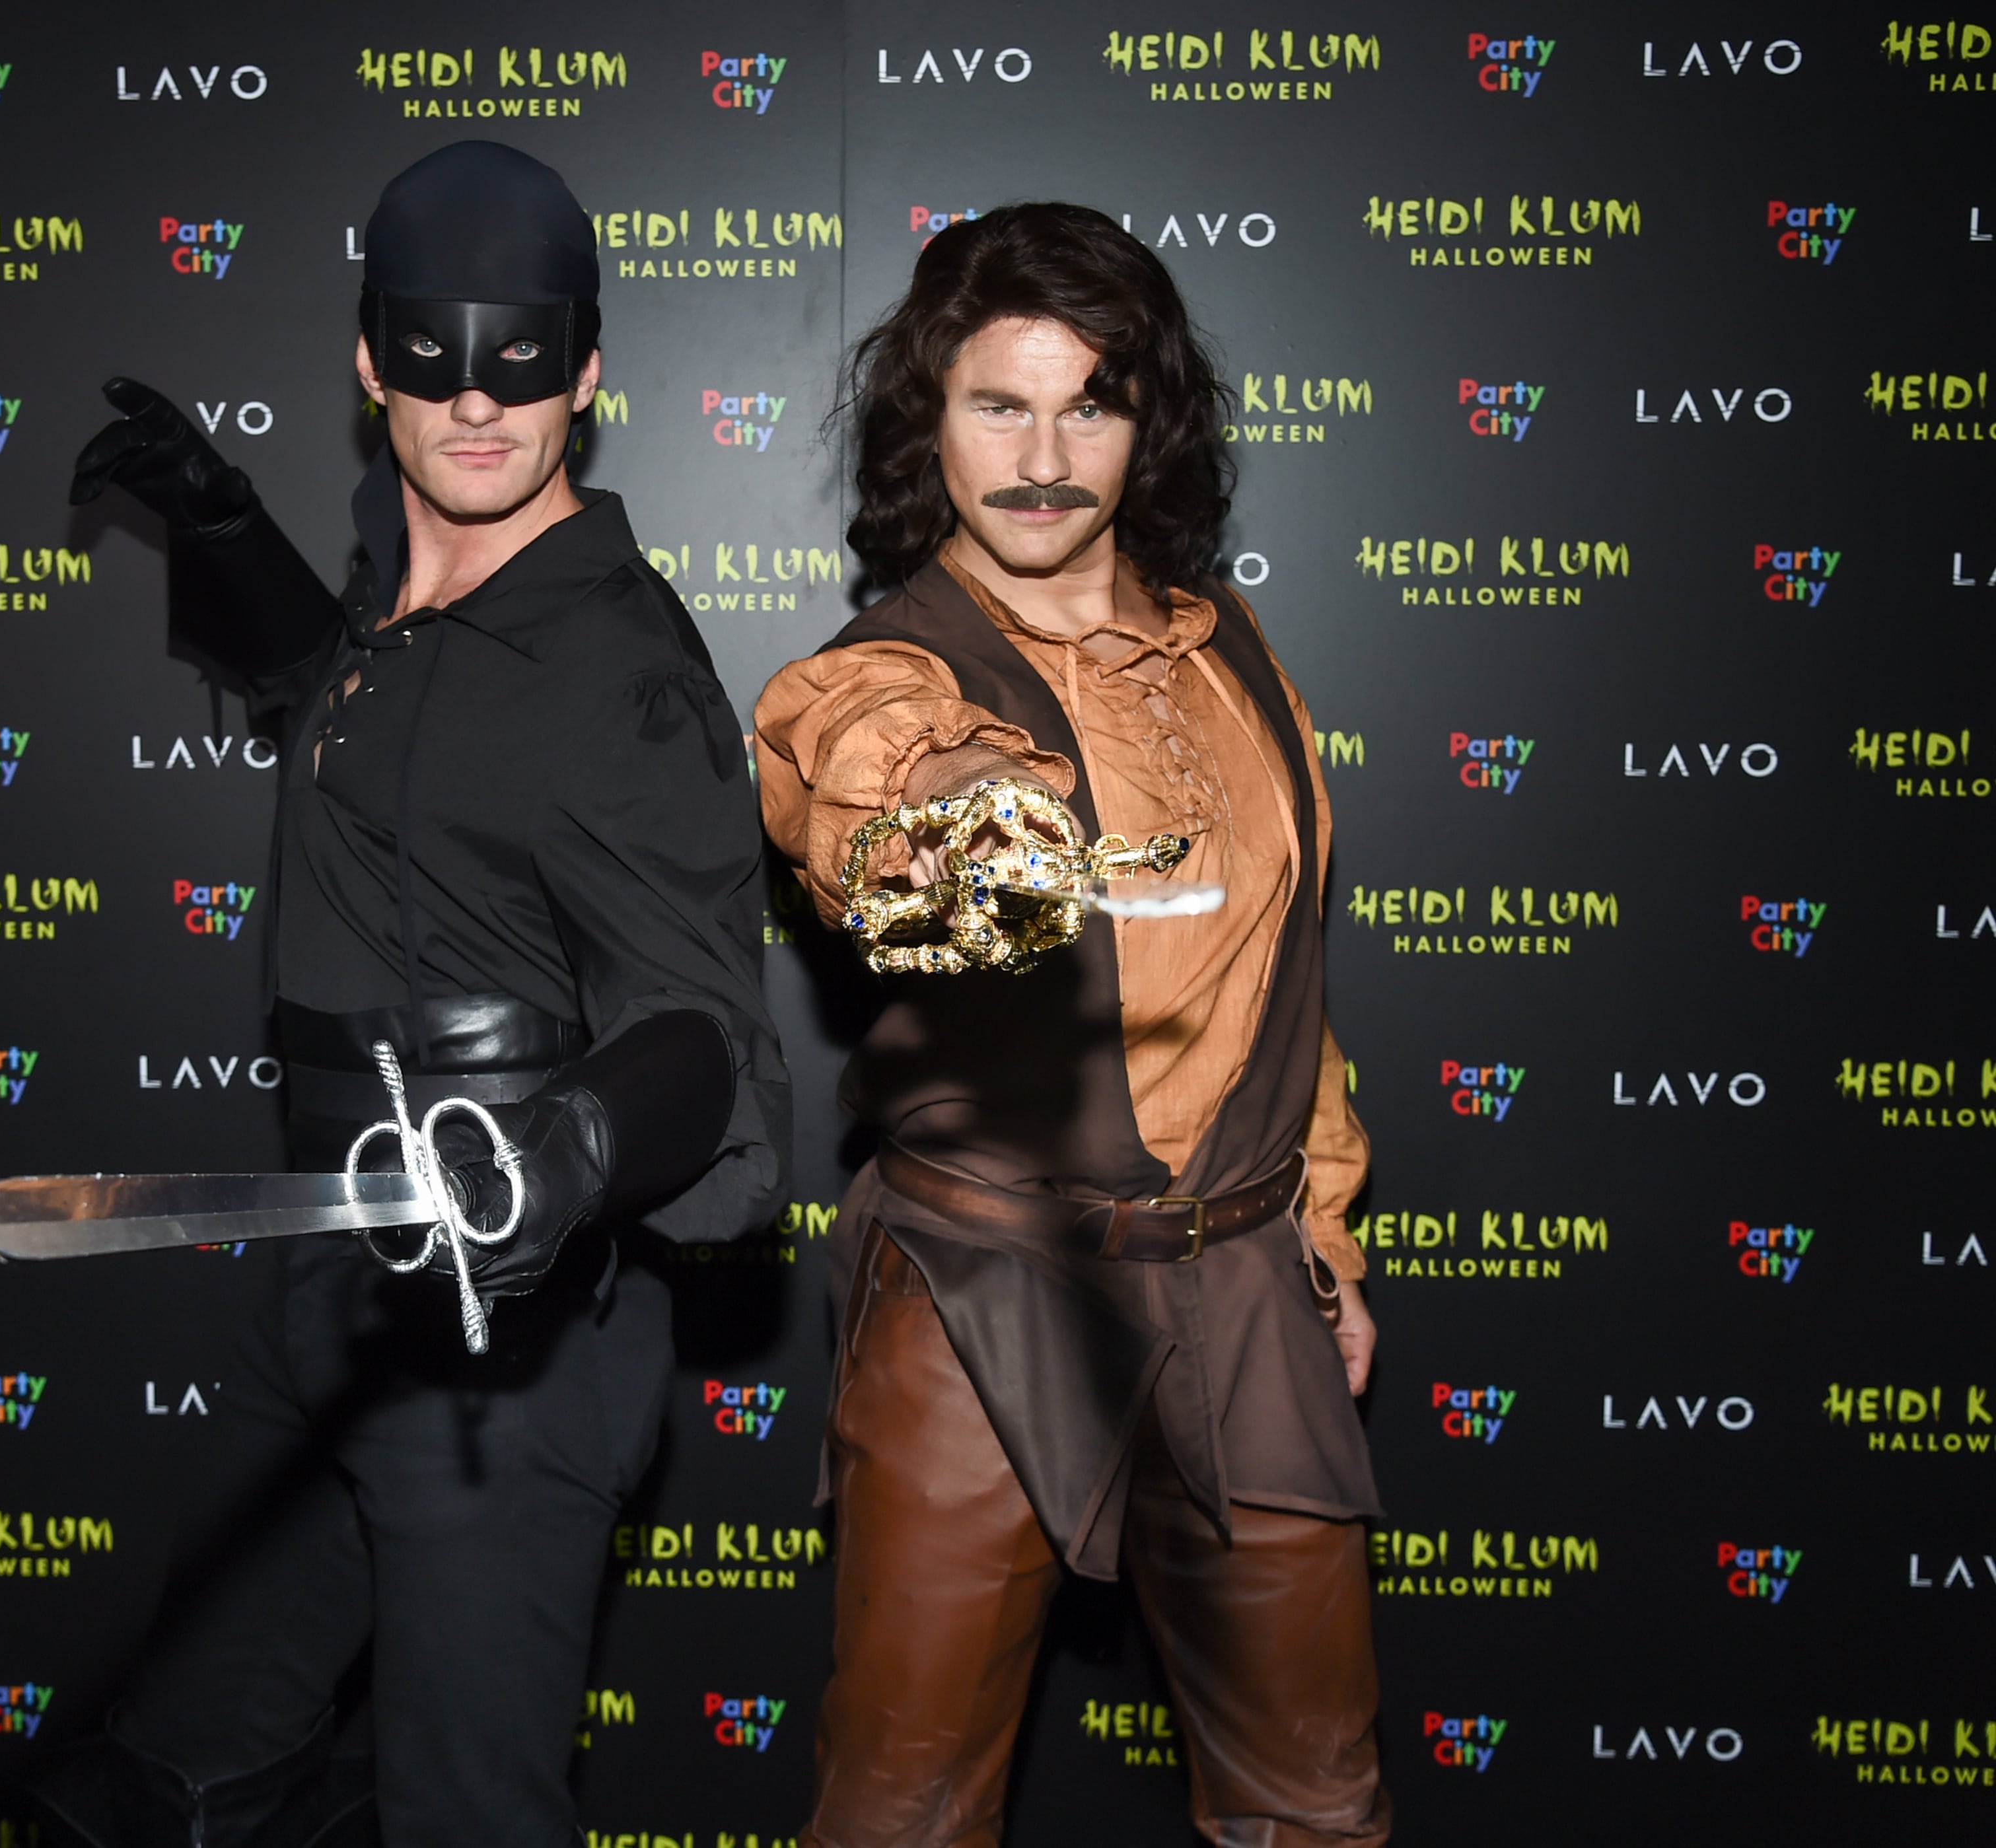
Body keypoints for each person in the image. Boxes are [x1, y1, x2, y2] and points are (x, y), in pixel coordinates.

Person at [42, 140, 790, 1848]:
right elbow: (358, 721)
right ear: (371, 358)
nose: (474, 400)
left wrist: (572, 1145)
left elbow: (717, 1053)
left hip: (502, 1338)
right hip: (328, 1285)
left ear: (587, 373)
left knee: (466, 1813)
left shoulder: (627, 681)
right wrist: (225, 533)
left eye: (520, 356)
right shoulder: (410, 577)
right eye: (430, 353)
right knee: (182, 1770)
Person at [752, 203, 1390, 1848]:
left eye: (1088, 404)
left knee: (1314, 1804)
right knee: (905, 1808)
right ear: (928, 423)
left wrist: (1323, 1230)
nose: (1044, 458)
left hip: (1245, 1283)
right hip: (989, 1293)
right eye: (997, 405)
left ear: (1146, 421)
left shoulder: (1237, 655)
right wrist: (963, 810)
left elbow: (1288, 983)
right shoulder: (872, 682)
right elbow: (894, 833)